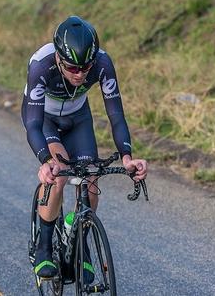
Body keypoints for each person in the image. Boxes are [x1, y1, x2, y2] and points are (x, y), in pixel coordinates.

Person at [21, 16, 147, 281]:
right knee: (60, 175)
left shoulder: (102, 62)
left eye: (85, 68)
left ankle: (80, 245)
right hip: (44, 119)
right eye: (71, 68)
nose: (79, 74)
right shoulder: (41, 64)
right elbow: (32, 123)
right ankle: (44, 247)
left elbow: (116, 116)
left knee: (91, 178)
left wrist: (127, 158)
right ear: (58, 58)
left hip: (78, 118)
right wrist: (45, 160)